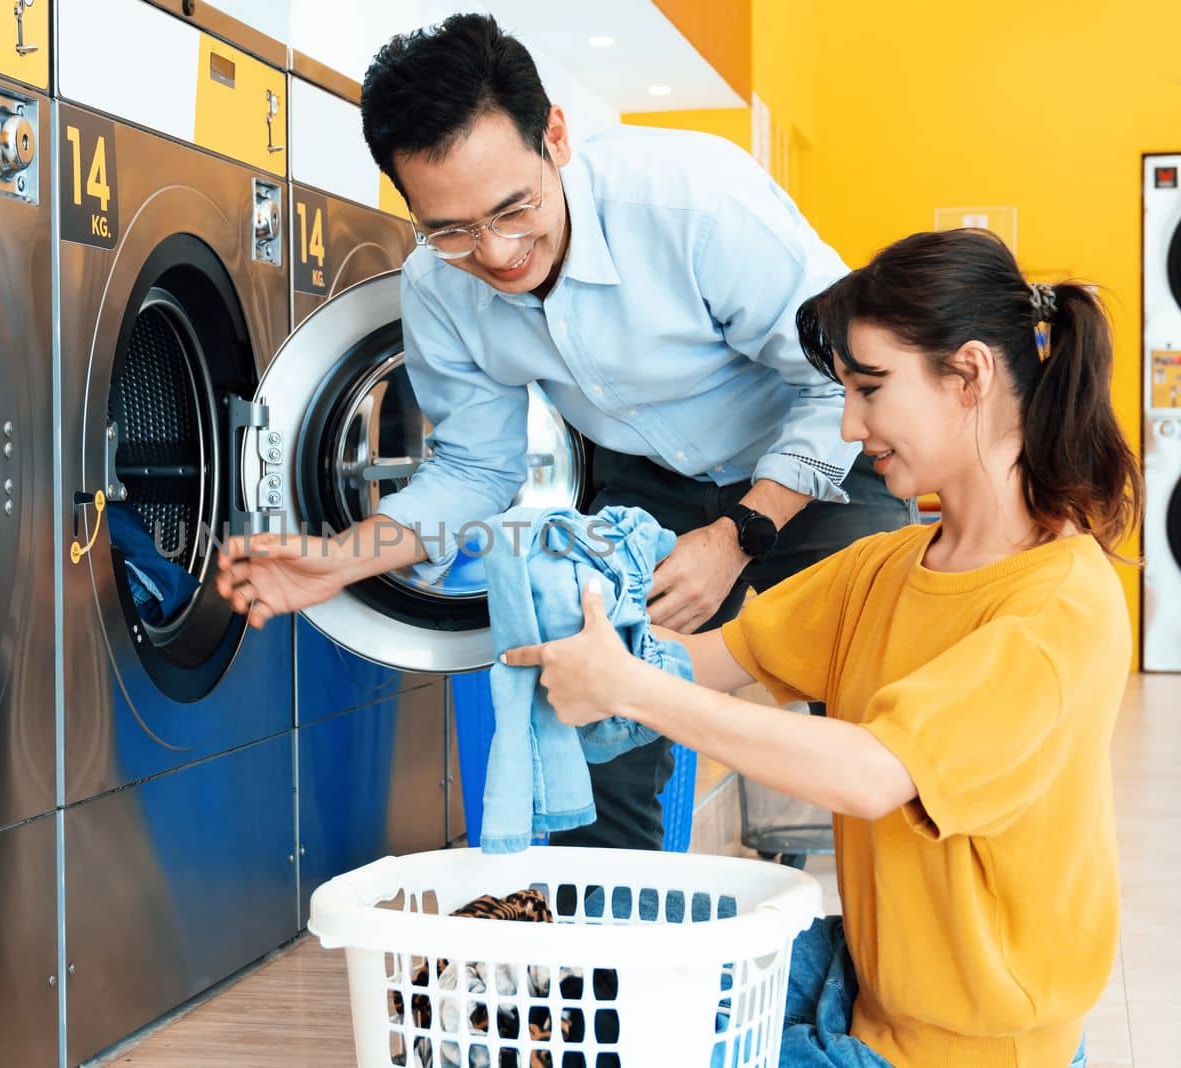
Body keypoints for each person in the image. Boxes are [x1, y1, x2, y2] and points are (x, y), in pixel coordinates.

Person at [215, 13, 913, 851]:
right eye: (452, 229)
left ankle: (902, 955)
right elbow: (476, 468)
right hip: (648, 485)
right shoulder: (439, 286)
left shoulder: (695, 203)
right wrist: (339, 558)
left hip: (825, 458)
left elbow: (833, 378)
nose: (499, 253)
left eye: (514, 209)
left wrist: (739, 532)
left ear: (554, 136)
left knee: (884, 718)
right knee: (596, 715)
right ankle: (608, 959)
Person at [504, 228, 1138, 1066]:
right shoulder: (883, 568)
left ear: (971, 375)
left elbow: (872, 771)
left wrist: (632, 690)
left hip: (977, 1048)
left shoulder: (1061, 607)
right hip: (869, 992)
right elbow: (702, 663)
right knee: (615, 1000)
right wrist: (585, 633)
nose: (849, 423)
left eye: (871, 389)